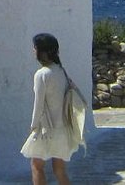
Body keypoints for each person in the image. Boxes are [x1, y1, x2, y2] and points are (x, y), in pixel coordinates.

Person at [20, 32, 84, 185]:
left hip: (46, 129)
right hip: (62, 128)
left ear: (41, 51)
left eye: (35, 48)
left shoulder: (42, 74)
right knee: (59, 170)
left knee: (37, 166)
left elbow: (39, 103)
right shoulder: (61, 71)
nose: (33, 51)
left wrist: (33, 126)